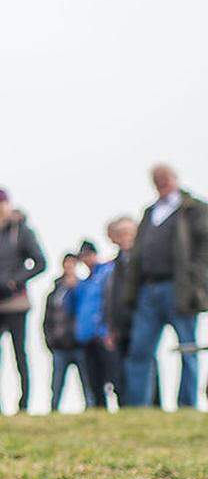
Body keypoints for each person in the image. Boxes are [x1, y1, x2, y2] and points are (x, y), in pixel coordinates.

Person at [120, 164, 208, 408]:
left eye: (165, 178)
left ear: (175, 178)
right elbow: (137, 255)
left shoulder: (193, 209)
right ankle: (137, 405)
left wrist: (195, 282)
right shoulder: (150, 213)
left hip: (179, 288)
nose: (161, 182)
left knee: (188, 347)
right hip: (148, 290)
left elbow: (204, 248)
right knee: (140, 349)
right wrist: (132, 291)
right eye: (156, 179)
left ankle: (187, 404)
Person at [0, 188, 46, 413]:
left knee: (19, 353)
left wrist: (15, 281)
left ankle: (24, 404)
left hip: (15, 303)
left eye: (2, 201)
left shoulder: (21, 230)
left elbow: (40, 262)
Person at [102, 216, 158, 406]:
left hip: (142, 320)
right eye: (120, 234)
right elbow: (110, 300)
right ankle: (128, 405)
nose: (125, 238)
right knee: (121, 368)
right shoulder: (114, 267)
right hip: (120, 325)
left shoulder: (145, 260)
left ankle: (150, 404)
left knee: (143, 362)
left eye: (129, 233)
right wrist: (110, 327)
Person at [68, 241, 120, 408]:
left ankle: (124, 407)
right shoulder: (83, 283)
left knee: (114, 376)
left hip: (103, 335)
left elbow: (110, 302)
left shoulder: (107, 272)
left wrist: (108, 329)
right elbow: (72, 308)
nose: (85, 260)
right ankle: (99, 409)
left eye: (87, 255)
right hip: (86, 336)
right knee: (94, 380)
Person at [43, 254, 92, 411]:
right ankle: (54, 411)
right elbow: (47, 320)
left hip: (79, 344)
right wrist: (50, 341)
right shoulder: (54, 293)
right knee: (56, 384)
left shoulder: (84, 288)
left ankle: (90, 409)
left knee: (87, 382)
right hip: (60, 345)